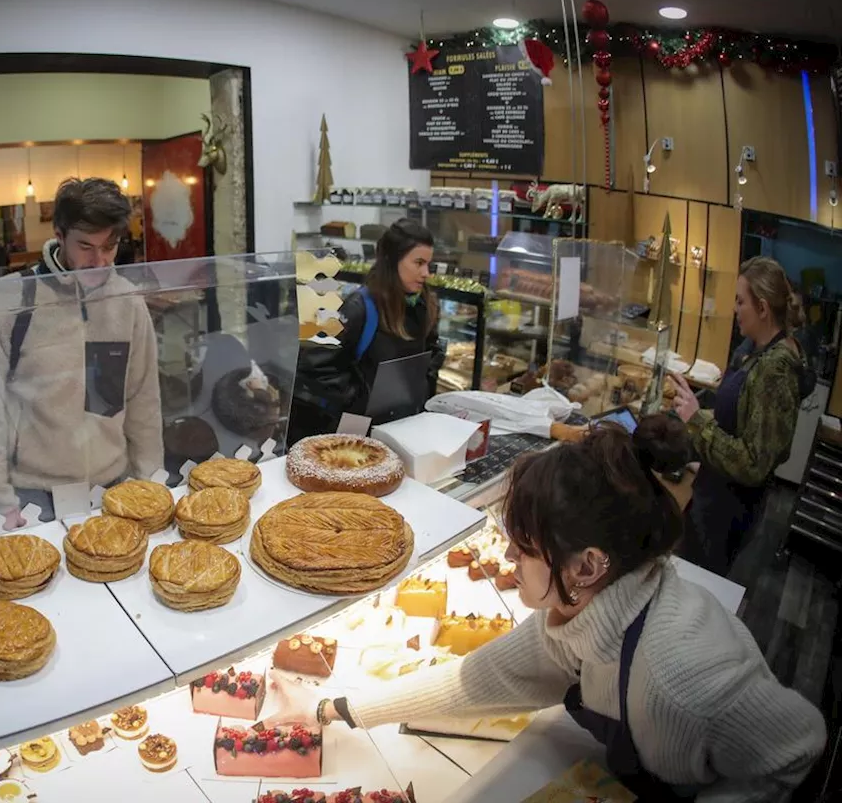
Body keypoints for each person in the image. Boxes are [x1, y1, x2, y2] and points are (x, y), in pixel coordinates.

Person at [266, 417, 825, 800]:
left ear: (586, 566)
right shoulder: (589, 613)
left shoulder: (676, 676)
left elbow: (796, 748)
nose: (507, 556)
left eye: (524, 547)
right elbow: (476, 679)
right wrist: (329, 709)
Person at [0, 177, 164, 525]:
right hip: (33, 497)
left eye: (110, 246)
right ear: (59, 234)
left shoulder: (127, 302)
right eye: (85, 246)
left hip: (113, 486)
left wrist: (151, 482)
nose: (99, 261)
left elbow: (144, 400)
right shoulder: (10, 300)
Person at [669, 256, 812, 575]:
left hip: (725, 512)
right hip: (716, 493)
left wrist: (697, 420)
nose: (734, 308)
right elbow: (742, 423)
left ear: (762, 308)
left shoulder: (774, 371)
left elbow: (753, 464)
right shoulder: (759, 352)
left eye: (740, 301)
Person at [288, 219, 443, 443]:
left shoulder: (425, 305)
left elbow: (432, 350)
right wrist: (359, 398)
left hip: (403, 421)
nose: (426, 273)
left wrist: (421, 388)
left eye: (429, 264)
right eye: (418, 263)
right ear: (392, 261)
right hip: (358, 425)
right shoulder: (358, 308)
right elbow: (314, 364)